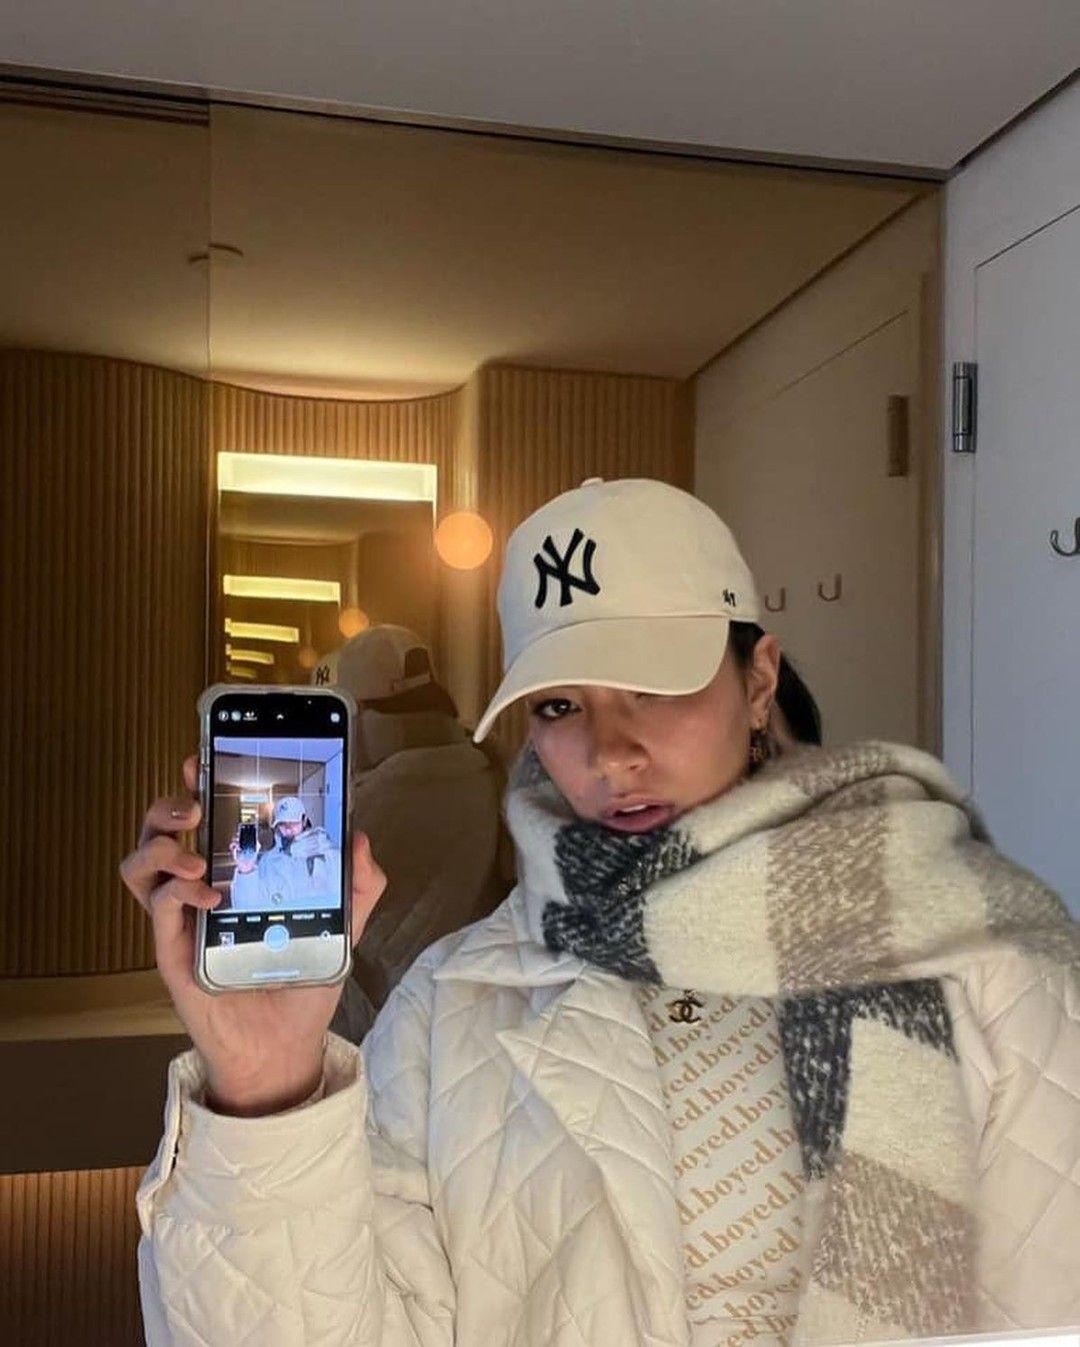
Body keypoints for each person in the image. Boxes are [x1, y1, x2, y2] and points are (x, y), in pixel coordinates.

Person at [121, 478, 1079, 1347]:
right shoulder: (450, 1007)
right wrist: (264, 1088)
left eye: (653, 688)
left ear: (758, 680)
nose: (609, 750)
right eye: (559, 707)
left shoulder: (990, 966)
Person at [317, 624, 509, 1043]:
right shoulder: (490, 774)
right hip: (477, 1024)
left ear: (360, 717)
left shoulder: (357, 810)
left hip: (383, 1038)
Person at [227, 794, 341, 911]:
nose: (288, 828)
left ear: (304, 820)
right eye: (282, 824)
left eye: (293, 822)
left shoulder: (332, 855)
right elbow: (247, 909)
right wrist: (246, 871)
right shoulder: (268, 861)